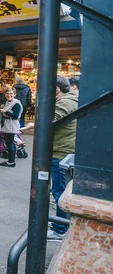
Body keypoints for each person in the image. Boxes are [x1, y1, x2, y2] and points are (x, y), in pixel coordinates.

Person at [48, 77, 79, 242]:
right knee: (61, 190)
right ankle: (61, 224)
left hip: (61, 151)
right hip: (66, 150)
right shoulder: (72, 99)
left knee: (59, 191)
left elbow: (47, 122)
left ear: (57, 89)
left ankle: (60, 229)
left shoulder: (64, 103)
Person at [0, 87, 22, 167]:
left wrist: (5, 111)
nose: (9, 95)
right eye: (7, 93)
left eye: (11, 94)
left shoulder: (16, 103)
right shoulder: (7, 102)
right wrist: (0, 109)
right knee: (9, 143)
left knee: (10, 143)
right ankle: (10, 161)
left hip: (12, 125)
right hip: (7, 124)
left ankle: (11, 162)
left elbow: (15, 115)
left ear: (14, 94)